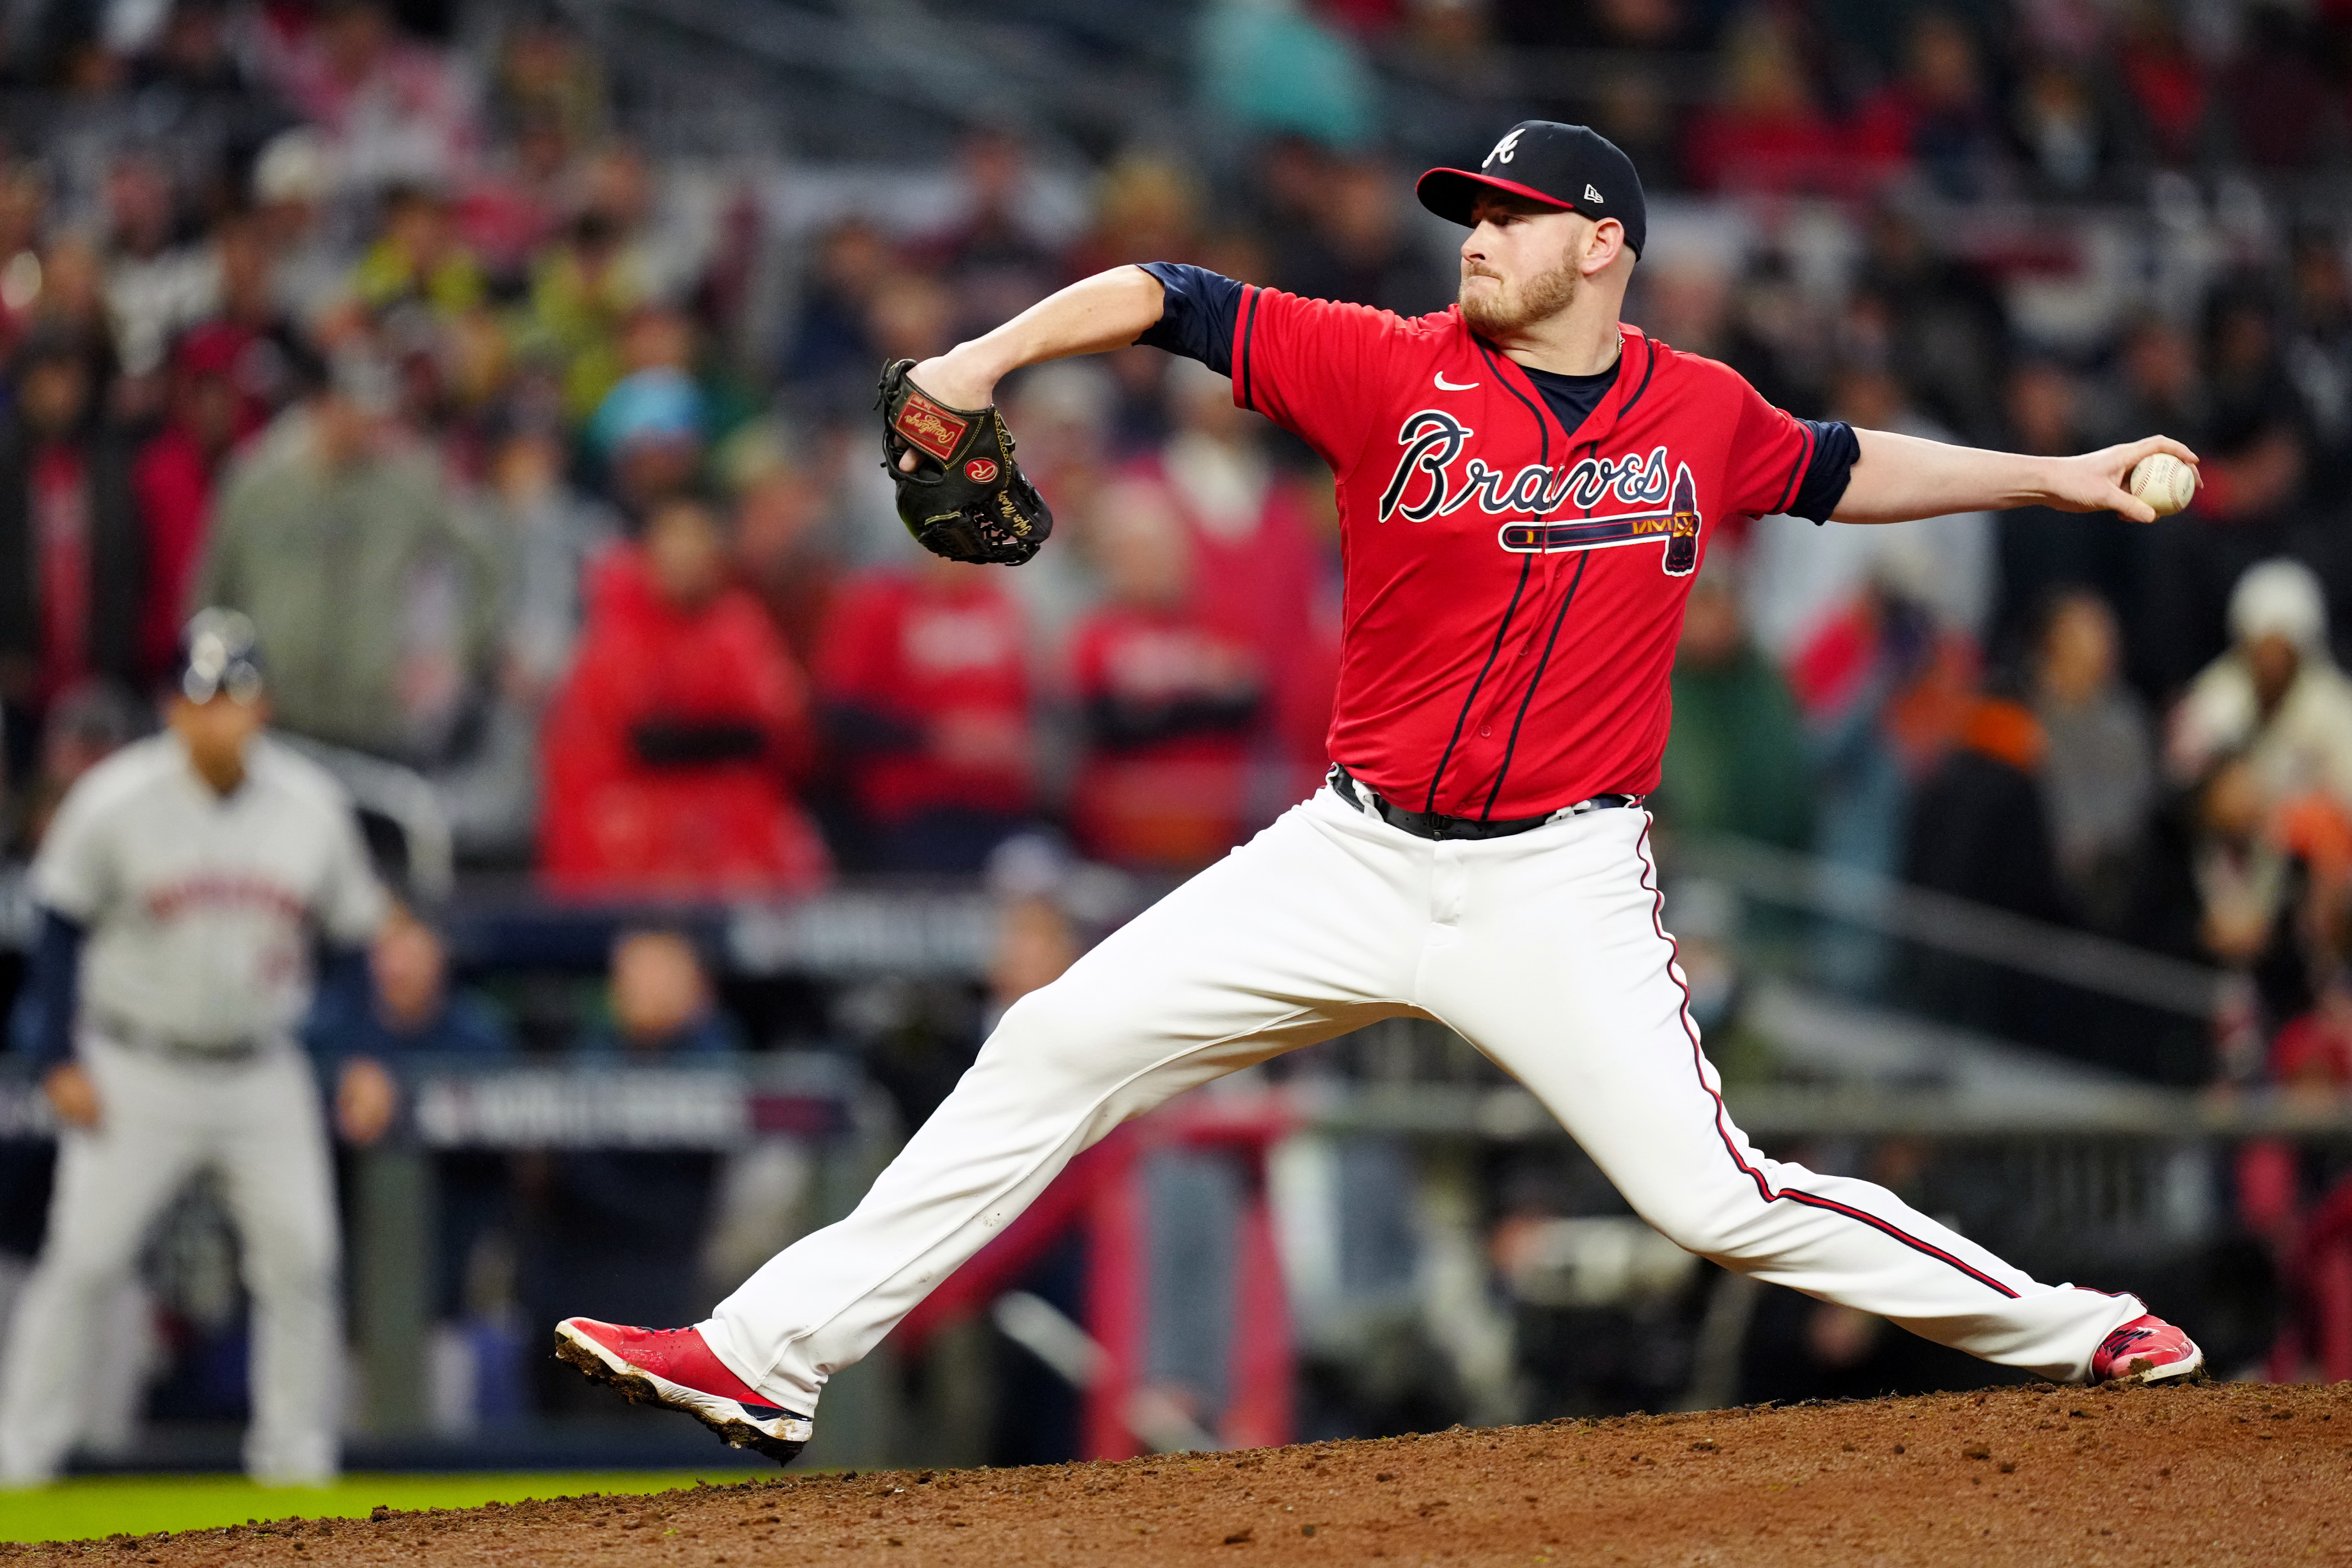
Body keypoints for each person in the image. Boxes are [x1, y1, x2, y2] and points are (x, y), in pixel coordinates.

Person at [554, 120, 2208, 1464]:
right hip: (1346, 853)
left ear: (1597, 244)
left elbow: (1843, 465)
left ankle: (2083, 1326)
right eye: (1462, 216)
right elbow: (1163, 289)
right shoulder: (1383, 365)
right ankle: (767, 1354)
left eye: (1504, 216)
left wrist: (2059, 473)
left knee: (1709, 1192)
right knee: (1056, 1036)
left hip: (1556, 885)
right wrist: (977, 359)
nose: (1471, 239)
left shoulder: (1696, 411)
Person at [0, 611, 391, 1486]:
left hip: (262, 1067)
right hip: (137, 1064)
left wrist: (363, 1054)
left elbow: (355, 938)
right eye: (200, 699)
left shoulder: (311, 804)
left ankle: (297, 1461)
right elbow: (59, 927)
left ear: (264, 707)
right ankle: (19, 1459)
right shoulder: (114, 799)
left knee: (301, 1259)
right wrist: (59, 1056)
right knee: (84, 1260)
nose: (217, 717)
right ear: (172, 708)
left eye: (235, 699)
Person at [537, 493, 827, 898]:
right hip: (635, 811)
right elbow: (632, 743)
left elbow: (777, 730)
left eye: (696, 555)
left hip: (726, 805)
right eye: (672, 555)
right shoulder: (615, 638)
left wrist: (702, 739)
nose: (683, 569)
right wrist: (716, 738)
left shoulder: (738, 626)